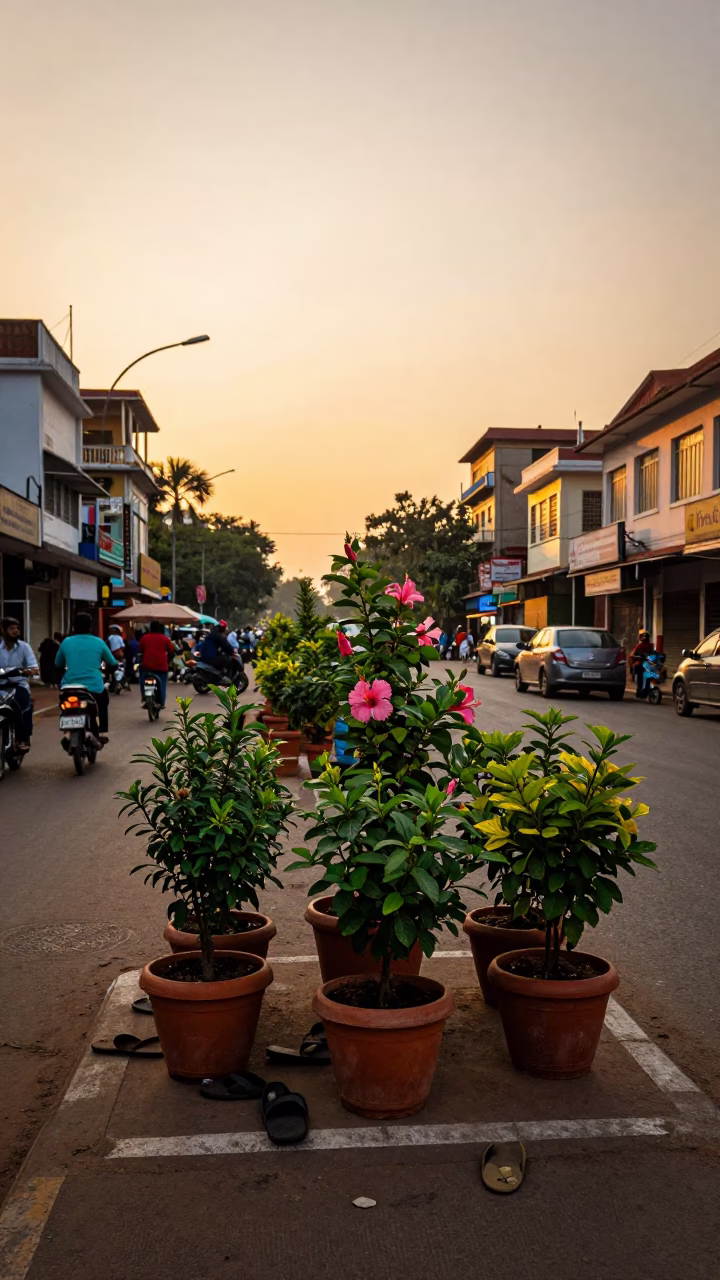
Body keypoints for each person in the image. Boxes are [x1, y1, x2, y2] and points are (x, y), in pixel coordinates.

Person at [55, 613, 116, 744]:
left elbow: (57, 664)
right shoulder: (98, 642)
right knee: (103, 701)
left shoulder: (66, 642)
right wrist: (107, 672)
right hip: (94, 687)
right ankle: (101, 731)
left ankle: (67, 732)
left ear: (73, 626)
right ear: (90, 627)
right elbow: (112, 663)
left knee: (65, 706)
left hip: (69, 687)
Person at [0, 617, 39, 752]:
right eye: (12, 628)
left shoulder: (24, 647)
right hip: (1, 686)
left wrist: (31, 671)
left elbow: (34, 668)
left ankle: (23, 738)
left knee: (20, 704)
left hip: (18, 686)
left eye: (17, 628)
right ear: (3, 630)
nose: (15, 631)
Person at [137, 620, 175, 708]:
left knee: (142, 680)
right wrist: (167, 661)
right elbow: (171, 652)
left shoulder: (144, 638)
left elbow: (140, 650)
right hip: (162, 667)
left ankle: (144, 698)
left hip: (147, 667)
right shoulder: (165, 639)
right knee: (162, 685)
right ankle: (162, 703)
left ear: (150, 628)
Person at [629, 629, 655, 699]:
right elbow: (632, 655)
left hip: (645, 664)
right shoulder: (642, 645)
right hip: (643, 664)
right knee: (639, 672)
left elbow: (632, 655)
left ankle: (642, 689)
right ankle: (641, 689)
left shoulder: (643, 646)